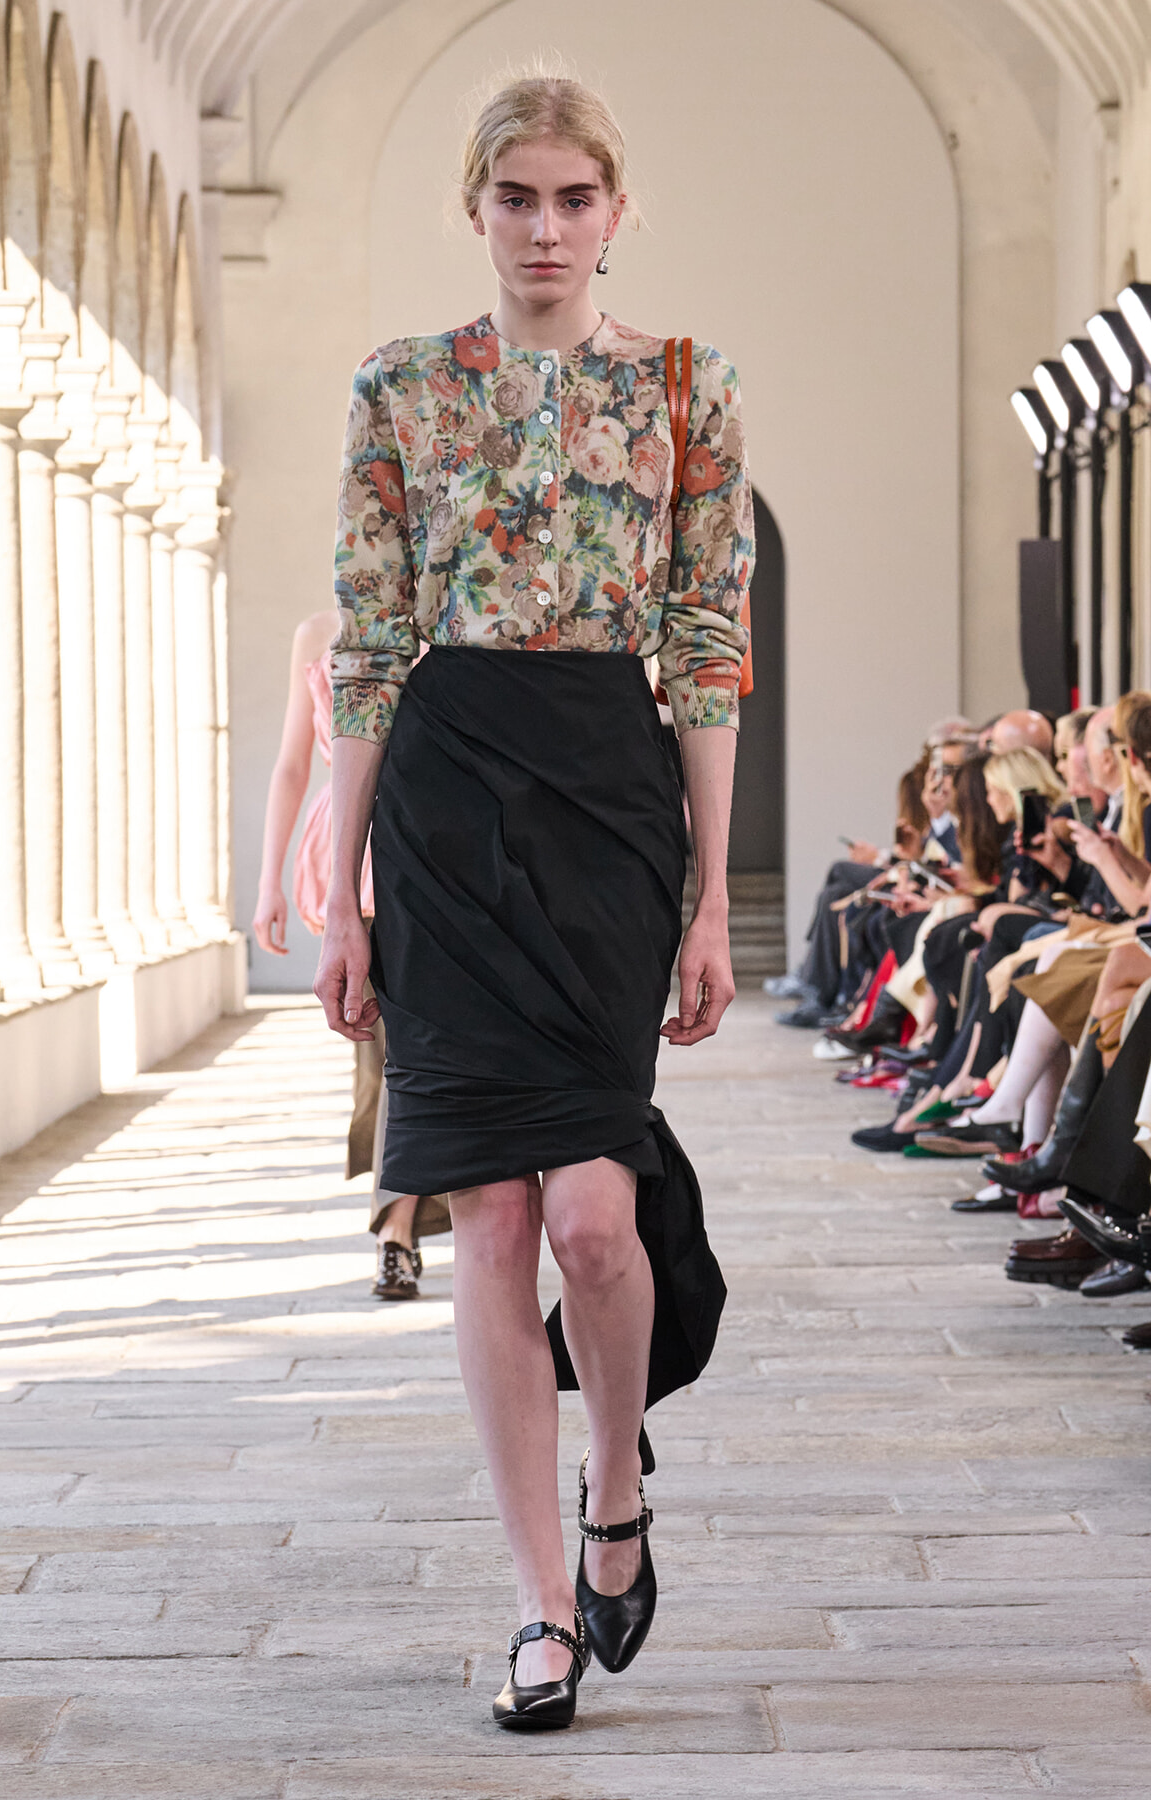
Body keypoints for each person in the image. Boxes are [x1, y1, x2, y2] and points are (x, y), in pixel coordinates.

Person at [313, 69, 751, 1731]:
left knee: (593, 1217)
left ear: (617, 211)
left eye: (577, 197)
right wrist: (345, 888)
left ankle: (618, 1484)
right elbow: (365, 639)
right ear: (477, 209)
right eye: (519, 198)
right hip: (440, 798)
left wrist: (710, 895)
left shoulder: (689, 388)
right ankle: (541, 1606)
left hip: (607, 802)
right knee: (490, 1217)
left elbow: (707, 646)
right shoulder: (401, 387)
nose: (548, 226)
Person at [252, 608, 446, 1301]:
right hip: (353, 855)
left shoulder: (448, 617)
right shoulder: (315, 632)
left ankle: (401, 1228)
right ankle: (401, 1222)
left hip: (437, 841)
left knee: (414, 1050)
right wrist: (267, 883)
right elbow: (291, 766)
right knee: (379, 1049)